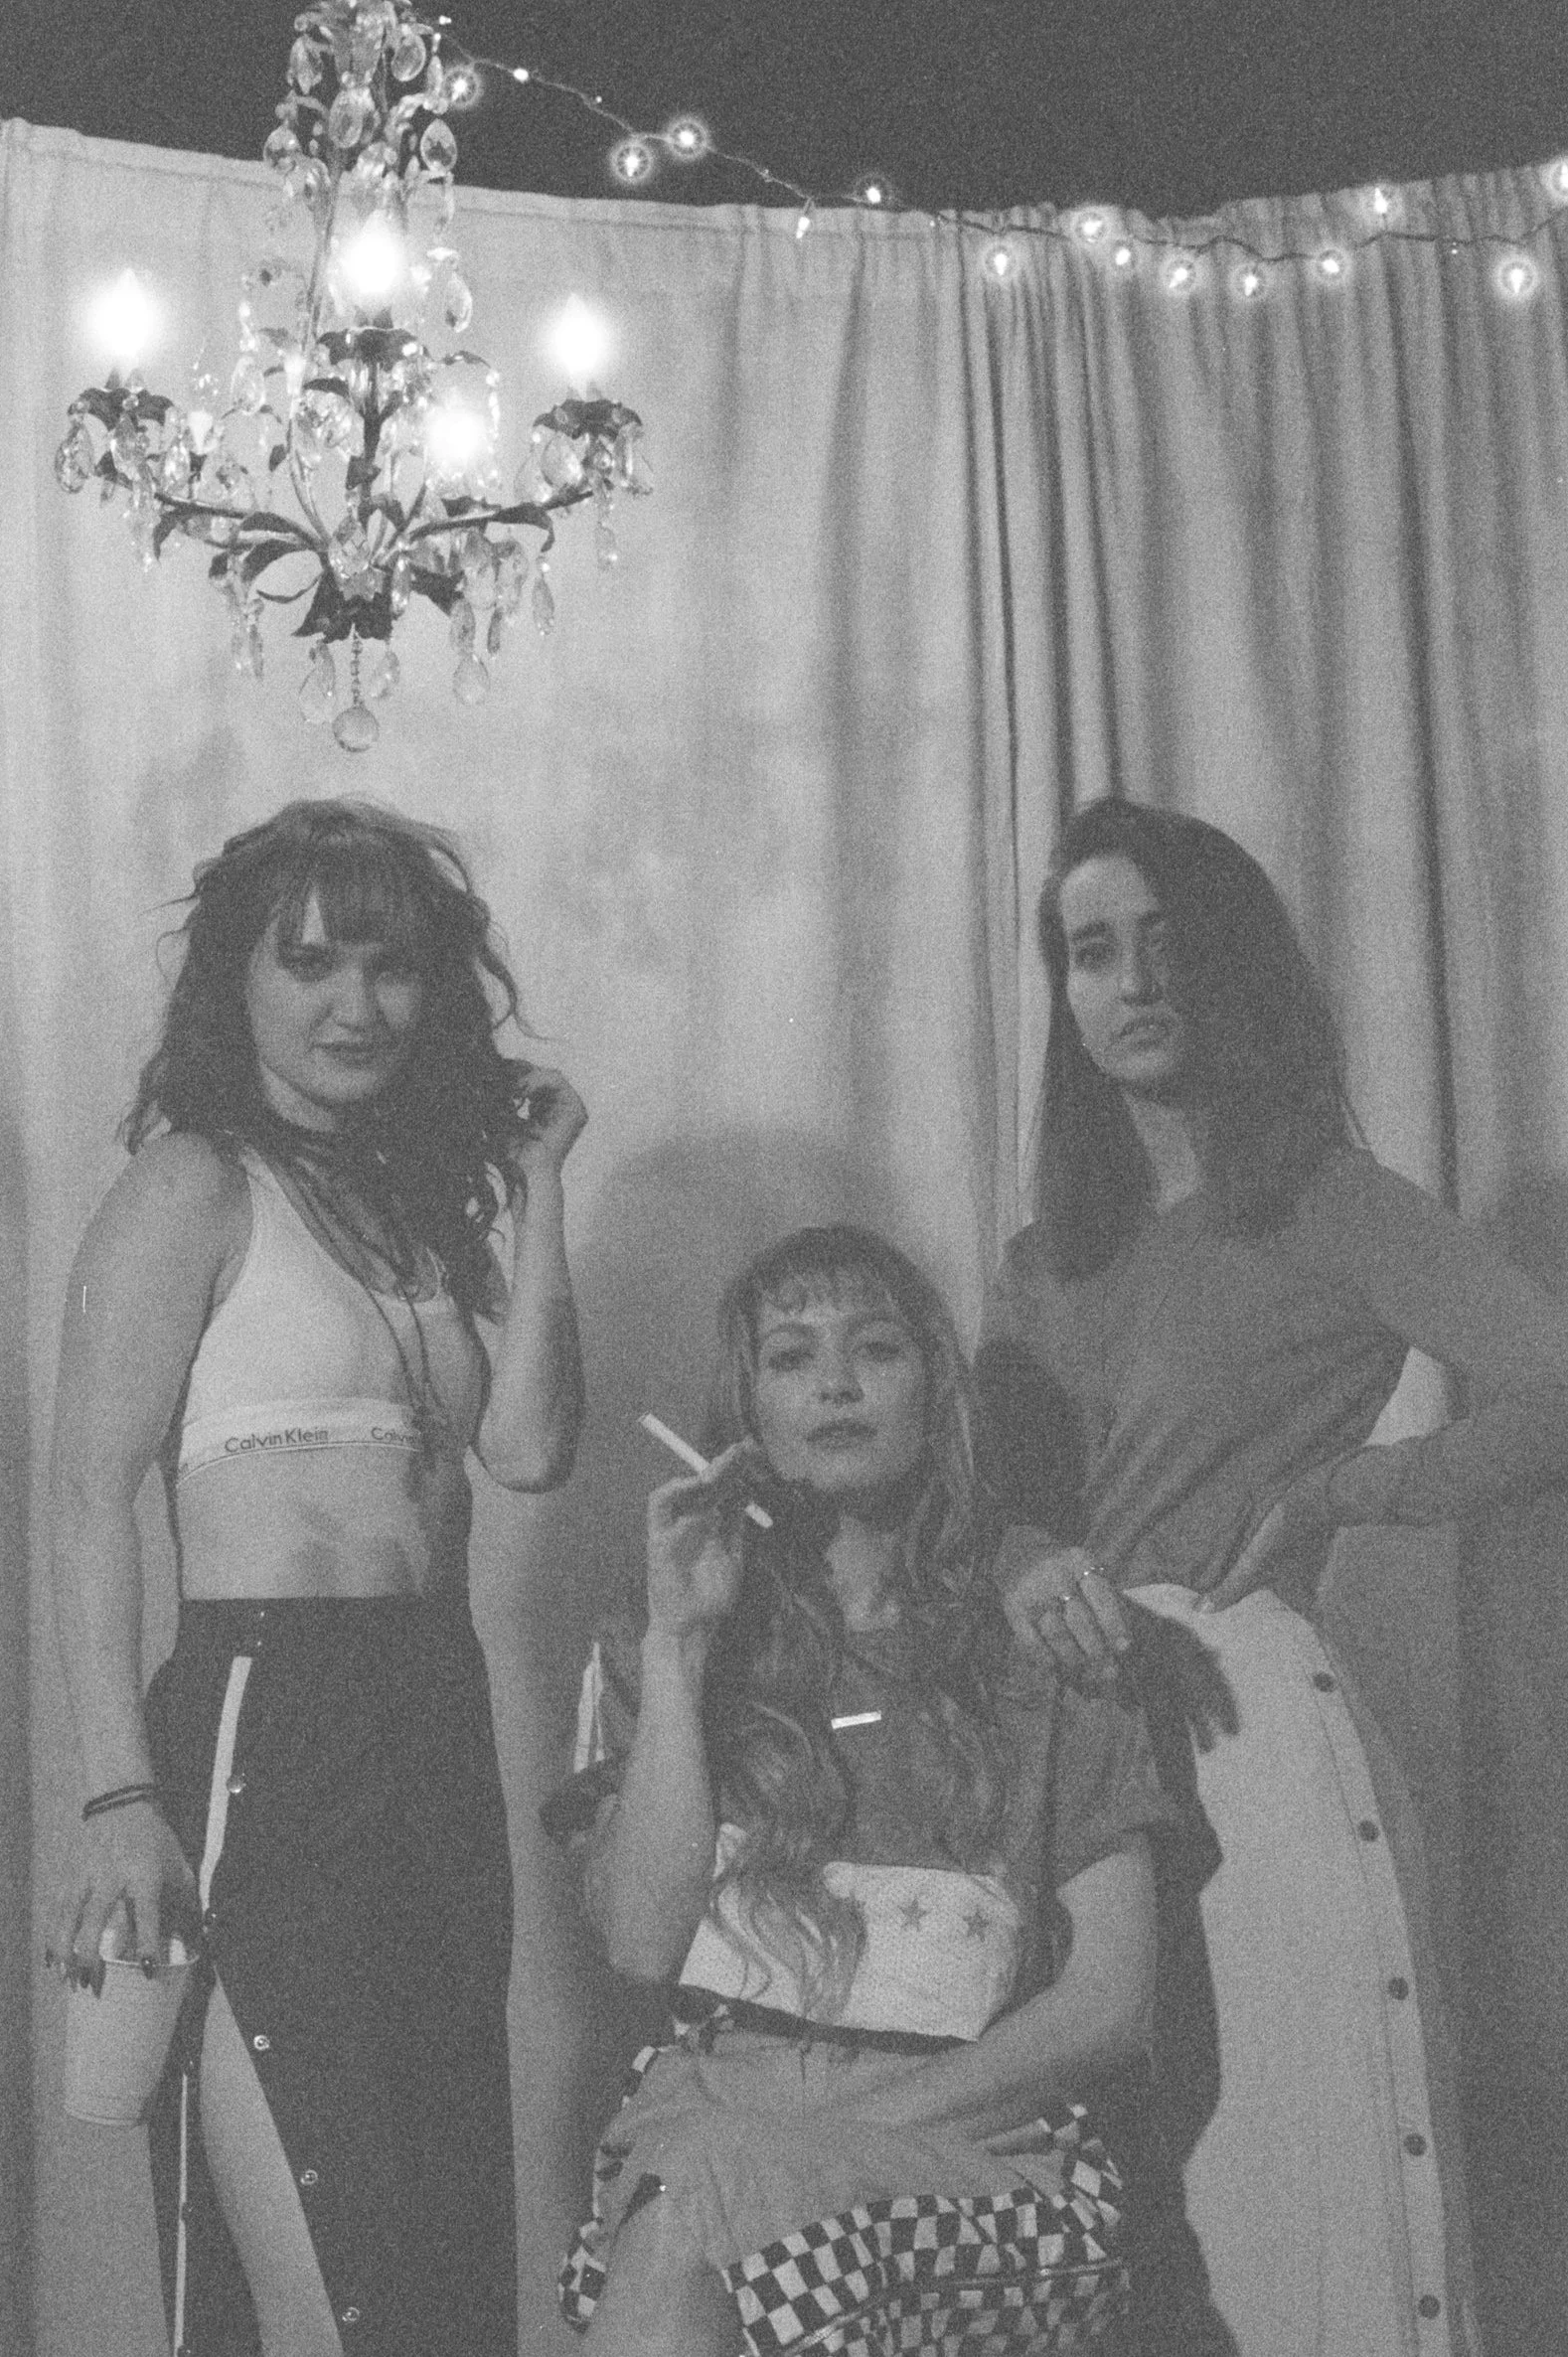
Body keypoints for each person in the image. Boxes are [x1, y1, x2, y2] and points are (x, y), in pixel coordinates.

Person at [976, 793, 1568, 2357]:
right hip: (1063, 1756)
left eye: (1166, 942)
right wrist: (1026, 1558)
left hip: (1244, 1740)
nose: (1132, 981)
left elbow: (1558, 1386)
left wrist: (1345, 1491)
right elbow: (992, 1509)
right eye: (1091, 952)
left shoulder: (1328, 1201)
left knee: (1277, 2197)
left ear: (1231, 963)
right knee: (1090, 2232)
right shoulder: (1046, 1259)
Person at [47, 798, 586, 2357]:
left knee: (430, 2263)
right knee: (330, 2281)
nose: (358, 1004)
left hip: (430, 1725)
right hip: (262, 1725)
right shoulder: (193, 1188)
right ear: (240, 980)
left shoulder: (416, 1209)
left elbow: (531, 1448)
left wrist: (542, 1185)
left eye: (392, 965)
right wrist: (117, 1796)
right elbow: (85, 1498)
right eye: (311, 963)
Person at [545, 1224, 1177, 2357]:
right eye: (791, 1357)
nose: (835, 1382)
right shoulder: (668, 1638)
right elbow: (640, 1944)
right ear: (747, 1408)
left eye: (875, 1349)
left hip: (975, 2158)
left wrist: (819, 2138)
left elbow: (1111, 2005)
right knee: (701, 2194)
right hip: (711, 2126)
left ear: (935, 1389)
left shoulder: (1045, 1633)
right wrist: (679, 1649)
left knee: (706, 2195)